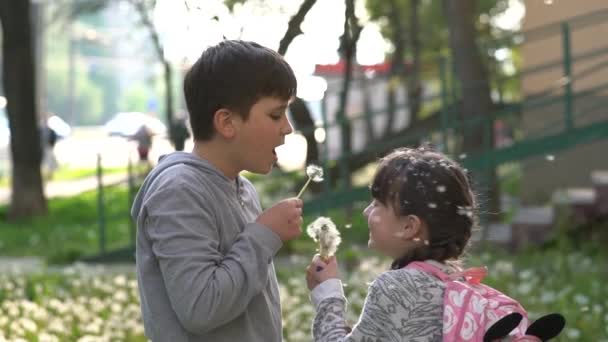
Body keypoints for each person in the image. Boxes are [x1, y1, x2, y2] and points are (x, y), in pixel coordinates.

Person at [131, 40, 303, 342]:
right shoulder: (178, 191)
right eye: (276, 115)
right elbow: (201, 307)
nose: (287, 128)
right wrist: (264, 235)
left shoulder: (243, 188)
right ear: (226, 122)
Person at [306, 146, 478, 341]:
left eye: (377, 204)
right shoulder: (456, 284)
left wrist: (328, 295)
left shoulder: (397, 287)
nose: (366, 212)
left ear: (409, 226)